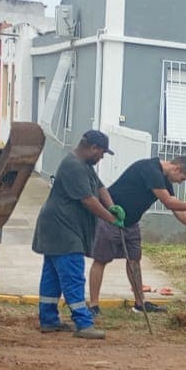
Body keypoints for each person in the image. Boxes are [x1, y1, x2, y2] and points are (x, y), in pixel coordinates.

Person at [87, 155, 186, 316]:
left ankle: (140, 303)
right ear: (177, 168)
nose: (180, 183)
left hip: (131, 222)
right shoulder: (151, 169)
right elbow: (169, 202)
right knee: (101, 260)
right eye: (182, 179)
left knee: (134, 260)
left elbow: (176, 209)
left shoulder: (164, 180)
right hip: (110, 217)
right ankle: (93, 305)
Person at [32, 130, 119, 339]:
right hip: (63, 230)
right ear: (93, 148)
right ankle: (84, 323)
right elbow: (88, 200)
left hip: (57, 227)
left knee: (52, 275)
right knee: (73, 275)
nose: (102, 157)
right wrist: (111, 219)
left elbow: (100, 187)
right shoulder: (74, 166)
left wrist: (113, 206)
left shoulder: (83, 165)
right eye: (102, 153)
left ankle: (49, 320)